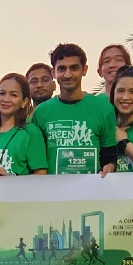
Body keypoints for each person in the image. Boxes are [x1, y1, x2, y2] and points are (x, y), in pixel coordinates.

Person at [29, 43, 117, 177]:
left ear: (85, 70)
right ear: (54, 72)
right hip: (52, 193)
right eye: (62, 69)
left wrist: (110, 166)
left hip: (92, 192)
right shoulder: (40, 112)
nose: (68, 74)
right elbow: (33, 158)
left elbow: (109, 154)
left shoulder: (104, 109)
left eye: (74, 68)